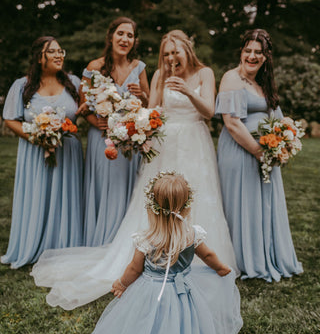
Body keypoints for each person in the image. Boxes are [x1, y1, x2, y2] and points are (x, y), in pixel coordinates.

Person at [31, 29, 238, 309]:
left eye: (175, 52)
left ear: (187, 50)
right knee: (155, 199)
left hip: (194, 141)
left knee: (198, 196)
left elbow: (209, 112)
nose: (170, 58)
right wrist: (143, 122)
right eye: (165, 54)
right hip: (165, 144)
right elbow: (152, 111)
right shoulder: (159, 75)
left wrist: (187, 91)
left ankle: (203, 256)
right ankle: (150, 258)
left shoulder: (205, 73)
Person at [83, 172, 243, 334]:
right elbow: (208, 256)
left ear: (152, 207)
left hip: (149, 294)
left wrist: (122, 283)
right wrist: (222, 269)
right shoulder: (192, 235)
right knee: (178, 332)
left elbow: (134, 269)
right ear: (187, 207)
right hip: (183, 294)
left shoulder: (147, 239)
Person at [215, 28, 303, 282]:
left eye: (258, 52)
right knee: (243, 205)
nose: (252, 56)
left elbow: (276, 115)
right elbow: (231, 123)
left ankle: (268, 255)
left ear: (266, 57)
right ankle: (246, 259)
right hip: (240, 151)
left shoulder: (262, 82)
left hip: (266, 152)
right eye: (248, 51)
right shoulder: (232, 78)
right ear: (241, 53)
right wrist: (257, 151)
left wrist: (283, 143)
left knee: (264, 205)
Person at [1, 36, 83, 269]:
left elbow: (86, 112)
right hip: (34, 153)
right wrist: (39, 138)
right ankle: (33, 245)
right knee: (37, 196)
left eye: (61, 51)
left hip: (68, 153)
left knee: (65, 198)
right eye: (52, 51)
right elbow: (9, 119)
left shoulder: (74, 83)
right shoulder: (21, 86)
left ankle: (63, 247)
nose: (59, 55)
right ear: (40, 57)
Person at [80, 16, 149, 246]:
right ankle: (99, 241)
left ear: (134, 41)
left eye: (130, 35)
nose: (125, 39)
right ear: (111, 36)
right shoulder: (94, 67)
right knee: (104, 187)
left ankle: (122, 243)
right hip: (101, 139)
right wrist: (94, 121)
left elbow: (148, 105)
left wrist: (142, 94)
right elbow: (83, 106)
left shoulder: (139, 68)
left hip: (129, 140)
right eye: (121, 33)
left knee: (124, 188)